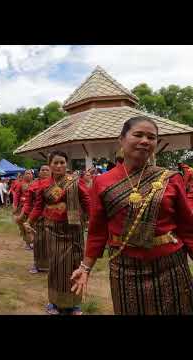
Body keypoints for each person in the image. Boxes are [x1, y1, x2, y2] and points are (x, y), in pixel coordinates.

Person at [71, 116, 193, 315]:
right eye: (138, 135)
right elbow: (97, 232)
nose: (145, 140)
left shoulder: (171, 178)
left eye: (151, 137)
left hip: (171, 266)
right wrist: (85, 268)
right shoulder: (102, 182)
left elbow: (188, 227)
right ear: (121, 139)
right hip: (125, 268)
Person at [25, 151, 90, 315]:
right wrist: (29, 221)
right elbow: (39, 206)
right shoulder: (44, 185)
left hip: (74, 230)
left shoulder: (75, 181)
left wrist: (93, 219)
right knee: (55, 267)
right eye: (56, 163)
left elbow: (86, 201)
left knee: (75, 265)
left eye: (62, 162)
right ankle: (54, 302)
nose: (59, 166)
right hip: (53, 230)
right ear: (50, 164)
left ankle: (74, 303)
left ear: (67, 164)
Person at [20, 165, 51, 273]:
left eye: (47, 170)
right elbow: (28, 203)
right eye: (43, 170)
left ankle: (52, 265)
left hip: (53, 218)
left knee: (51, 242)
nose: (45, 172)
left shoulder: (56, 184)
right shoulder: (33, 186)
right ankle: (37, 264)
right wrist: (26, 217)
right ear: (39, 172)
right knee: (38, 241)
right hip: (37, 217)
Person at [13, 170, 34, 250]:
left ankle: (33, 242)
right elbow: (16, 196)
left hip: (33, 208)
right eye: (26, 174)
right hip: (22, 208)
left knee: (33, 225)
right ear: (24, 175)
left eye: (30, 173)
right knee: (24, 226)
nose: (28, 175)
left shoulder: (36, 184)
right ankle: (28, 243)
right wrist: (15, 206)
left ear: (32, 175)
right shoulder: (20, 184)